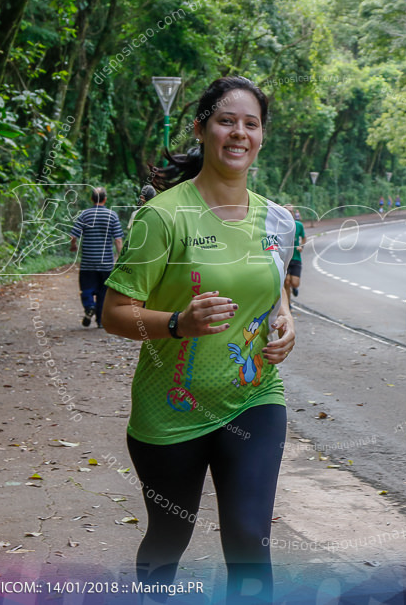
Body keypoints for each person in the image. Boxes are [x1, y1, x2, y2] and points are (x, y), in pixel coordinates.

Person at [101, 76, 296, 603]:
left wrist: (286, 321)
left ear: (261, 136)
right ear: (202, 129)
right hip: (171, 409)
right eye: (225, 121)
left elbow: (275, 291)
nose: (239, 133)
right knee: (169, 536)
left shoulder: (278, 220)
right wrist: (177, 325)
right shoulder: (161, 217)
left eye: (250, 124)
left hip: (254, 398)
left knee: (250, 538)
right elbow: (114, 313)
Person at [69, 186, 124, 328]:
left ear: (91, 199)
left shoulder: (85, 215)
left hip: (88, 261)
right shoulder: (112, 215)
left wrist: (73, 246)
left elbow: (73, 235)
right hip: (106, 262)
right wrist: (120, 257)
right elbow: (118, 240)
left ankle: (89, 306)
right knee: (103, 293)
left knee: (87, 288)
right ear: (105, 199)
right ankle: (100, 321)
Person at [282, 204, 305, 302]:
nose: (289, 213)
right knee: (286, 282)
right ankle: (288, 304)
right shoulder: (280, 225)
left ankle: (294, 287)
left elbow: (304, 238)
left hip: (296, 257)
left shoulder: (298, 225)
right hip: (284, 259)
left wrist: (301, 246)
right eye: (287, 211)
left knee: (294, 283)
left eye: (291, 211)